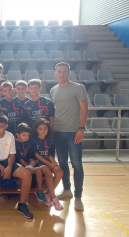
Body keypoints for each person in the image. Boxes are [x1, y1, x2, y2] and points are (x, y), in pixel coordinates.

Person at [50, 62, 88, 212]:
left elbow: (85, 110)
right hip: (58, 132)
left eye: (65, 71)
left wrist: (81, 129)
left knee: (77, 164)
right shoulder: (53, 90)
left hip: (74, 132)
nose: (62, 74)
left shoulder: (78, 88)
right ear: (55, 74)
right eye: (59, 71)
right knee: (62, 163)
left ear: (69, 73)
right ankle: (67, 190)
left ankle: (78, 197)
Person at [0, 114, 33, 221]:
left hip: (7, 161)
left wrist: (9, 167)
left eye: (0, 126)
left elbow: (12, 155)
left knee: (27, 174)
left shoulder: (10, 136)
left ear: (6, 126)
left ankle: (22, 205)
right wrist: (1, 167)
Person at [30, 118, 64, 210]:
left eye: (45, 128)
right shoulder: (33, 139)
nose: (43, 131)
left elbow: (50, 155)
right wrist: (49, 164)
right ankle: (54, 198)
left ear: (48, 129)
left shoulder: (50, 140)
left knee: (59, 171)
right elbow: (36, 155)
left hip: (47, 162)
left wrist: (54, 163)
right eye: (40, 129)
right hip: (38, 163)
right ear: (36, 129)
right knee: (48, 173)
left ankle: (48, 194)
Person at [15, 123, 45, 202]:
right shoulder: (15, 143)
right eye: (24, 135)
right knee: (25, 173)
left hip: (28, 164)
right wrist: (26, 165)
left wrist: (32, 161)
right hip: (19, 165)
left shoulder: (28, 143)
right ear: (17, 135)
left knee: (38, 171)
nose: (26, 137)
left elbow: (30, 154)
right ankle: (19, 187)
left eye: (28, 135)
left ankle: (39, 190)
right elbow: (18, 157)